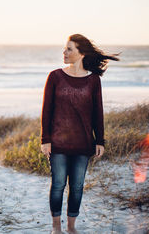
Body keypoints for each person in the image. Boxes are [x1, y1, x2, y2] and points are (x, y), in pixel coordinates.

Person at [40, 34, 120, 234]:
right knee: (58, 184)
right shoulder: (55, 76)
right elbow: (46, 110)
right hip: (58, 143)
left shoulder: (93, 80)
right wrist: (45, 140)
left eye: (69, 49)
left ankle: (72, 227)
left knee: (77, 187)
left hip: (83, 143)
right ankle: (56, 227)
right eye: (65, 49)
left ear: (81, 53)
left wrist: (99, 140)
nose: (64, 52)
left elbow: (97, 112)